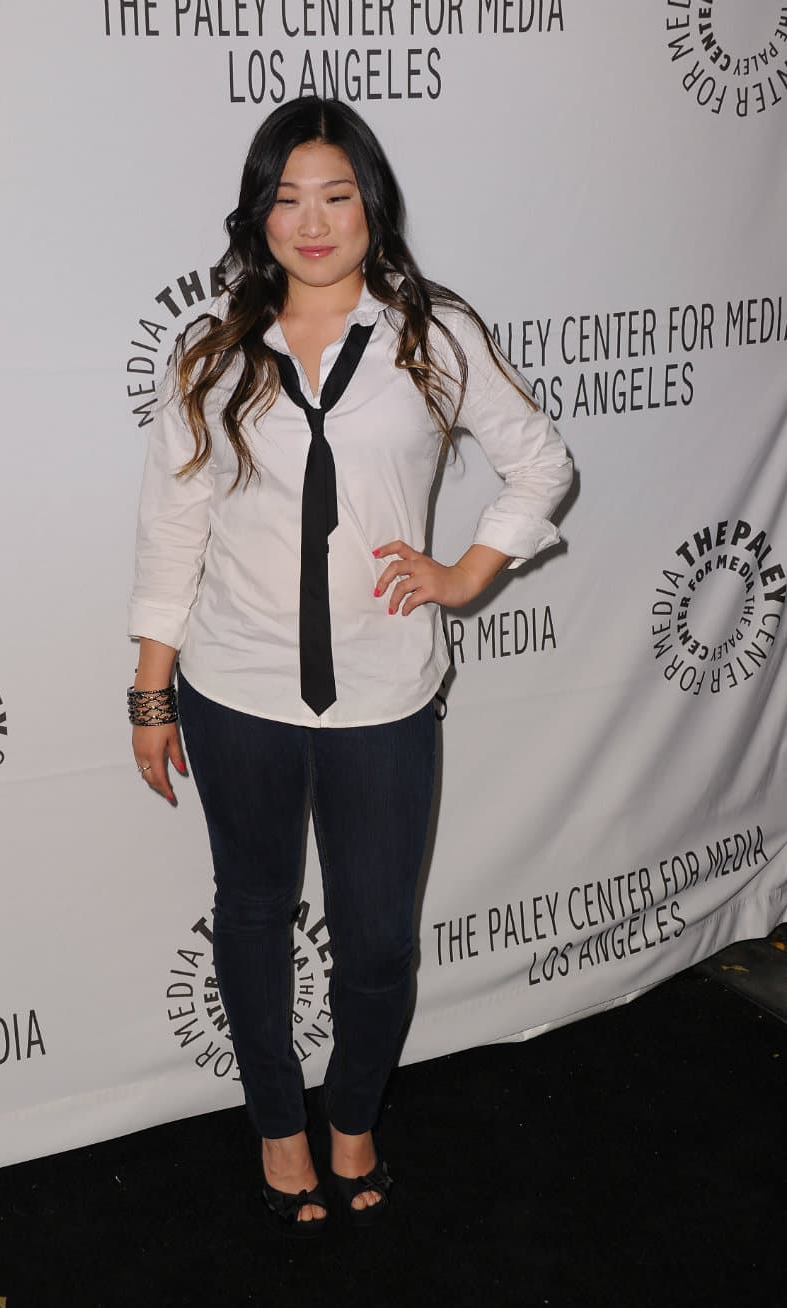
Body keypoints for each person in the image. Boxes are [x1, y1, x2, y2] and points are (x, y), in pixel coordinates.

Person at [128, 95, 573, 1236]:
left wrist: (466, 573)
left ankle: (356, 1115)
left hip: (382, 690)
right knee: (253, 911)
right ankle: (279, 1124)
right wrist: (151, 688)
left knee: (377, 938)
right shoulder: (212, 349)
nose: (314, 222)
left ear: (373, 203)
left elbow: (540, 463)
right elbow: (175, 527)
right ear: (258, 213)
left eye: (336, 195)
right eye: (288, 199)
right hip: (235, 686)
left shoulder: (434, 334)